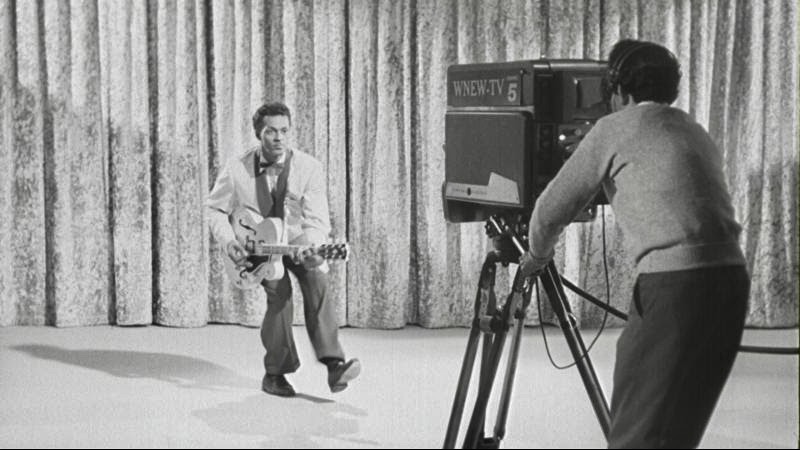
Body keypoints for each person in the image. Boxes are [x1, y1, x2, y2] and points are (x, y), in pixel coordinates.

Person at [519, 40, 749, 448]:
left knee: (636, 432)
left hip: (675, 287)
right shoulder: (691, 128)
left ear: (617, 87)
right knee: (675, 432)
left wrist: (536, 256)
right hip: (731, 282)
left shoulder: (612, 129)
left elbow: (549, 211)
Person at [207, 102, 360, 397]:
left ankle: (334, 364)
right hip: (256, 245)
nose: (279, 137)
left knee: (316, 278)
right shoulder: (236, 168)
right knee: (280, 293)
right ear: (258, 133)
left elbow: (317, 220)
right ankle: (275, 373)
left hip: (295, 239)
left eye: (284, 131)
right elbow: (214, 209)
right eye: (271, 131)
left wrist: (311, 245)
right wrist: (229, 241)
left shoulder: (309, 167)